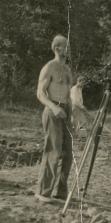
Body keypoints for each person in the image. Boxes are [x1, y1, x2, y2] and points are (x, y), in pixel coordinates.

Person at [35, 35, 73, 203]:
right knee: (53, 151)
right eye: (66, 46)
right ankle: (43, 192)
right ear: (58, 48)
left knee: (68, 154)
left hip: (66, 111)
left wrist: (73, 115)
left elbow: (70, 95)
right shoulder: (49, 67)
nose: (69, 49)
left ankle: (60, 193)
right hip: (52, 111)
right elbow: (40, 94)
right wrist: (55, 107)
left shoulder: (67, 70)